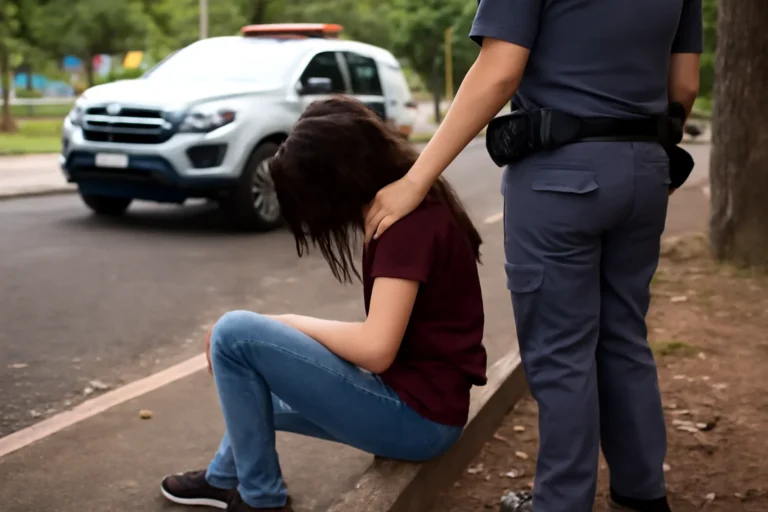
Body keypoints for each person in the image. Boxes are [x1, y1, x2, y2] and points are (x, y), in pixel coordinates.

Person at [364, 1, 702, 512]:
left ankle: (561, 503)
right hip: (646, 169)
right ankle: (641, 496)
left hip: (558, 178)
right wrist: (642, 156)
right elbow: (685, 86)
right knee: (625, 338)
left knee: (562, 353)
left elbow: (499, 71)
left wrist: (416, 180)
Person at [160, 96, 487, 512]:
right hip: (423, 408)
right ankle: (224, 478)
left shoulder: (405, 227)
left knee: (233, 332)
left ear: (336, 184)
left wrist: (284, 321)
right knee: (255, 394)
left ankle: (261, 500)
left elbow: (376, 348)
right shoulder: (414, 203)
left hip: (417, 420)